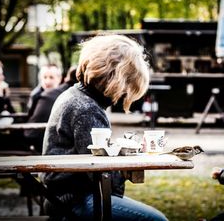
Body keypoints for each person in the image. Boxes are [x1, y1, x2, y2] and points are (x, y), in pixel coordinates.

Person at [40, 34, 167, 220]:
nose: (125, 94)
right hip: (70, 201)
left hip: (61, 197)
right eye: (128, 86)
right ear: (116, 79)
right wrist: (127, 165)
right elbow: (106, 182)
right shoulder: (87, 109)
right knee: (156, 220)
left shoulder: (75, 95)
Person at [24, 65, 78, 153]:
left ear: (59, 78)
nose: (47, 81)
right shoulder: (36, 94)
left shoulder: (65, 94)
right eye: (44, 77)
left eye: (51, 77)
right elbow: (30, 118)